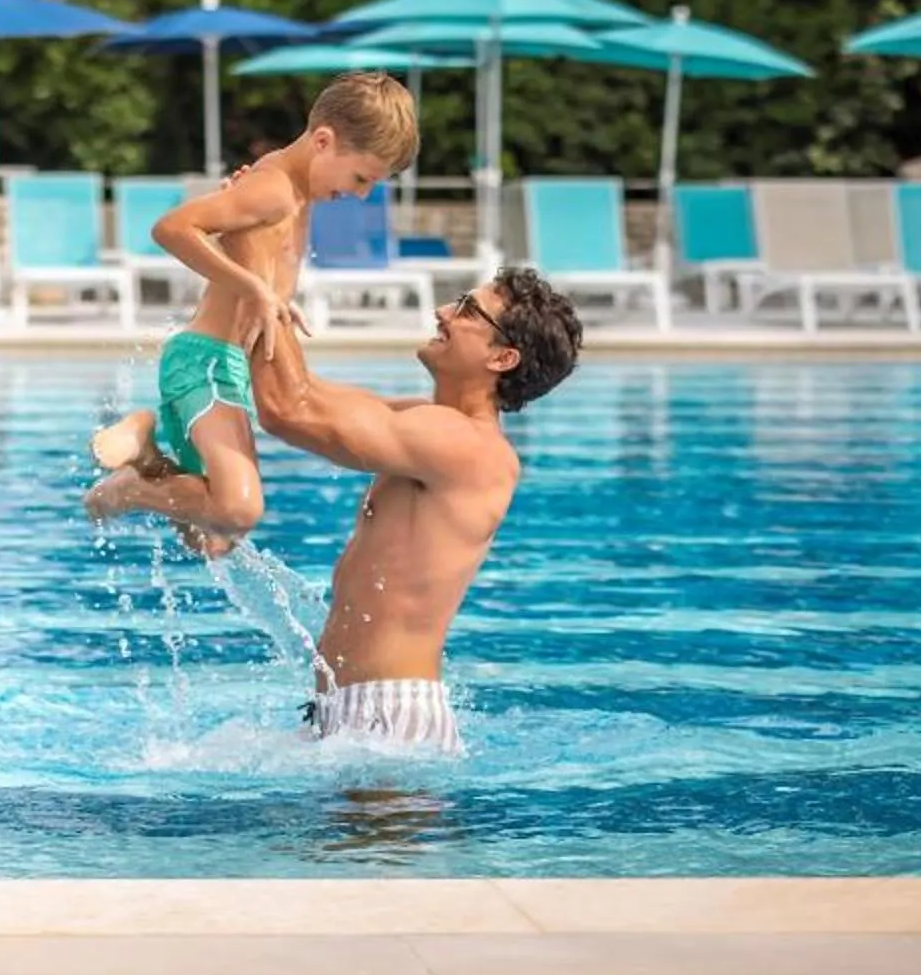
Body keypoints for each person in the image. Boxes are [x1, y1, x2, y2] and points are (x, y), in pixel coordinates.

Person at [83, 71, 419, 547]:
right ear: (323, 140)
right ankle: (131, 488)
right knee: (238, 507)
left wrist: (274, 296)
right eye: (362, 178)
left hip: (228, 368)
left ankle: (149, 455)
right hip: (206, 361)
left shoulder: (297, 191)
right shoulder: (275, 190)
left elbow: (259, 255)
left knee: (214, 541)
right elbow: (171, 228)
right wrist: (256, 291)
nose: (362, 194)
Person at [252, 268, 581, 750]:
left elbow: (285, 412)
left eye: (468, 310)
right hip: (349, 707)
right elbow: (302, 392)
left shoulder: (467, 446)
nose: (442, 312)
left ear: (502, 357)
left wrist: (256, 283)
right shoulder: (426, 421)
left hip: (388, 712)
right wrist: (262, 287)